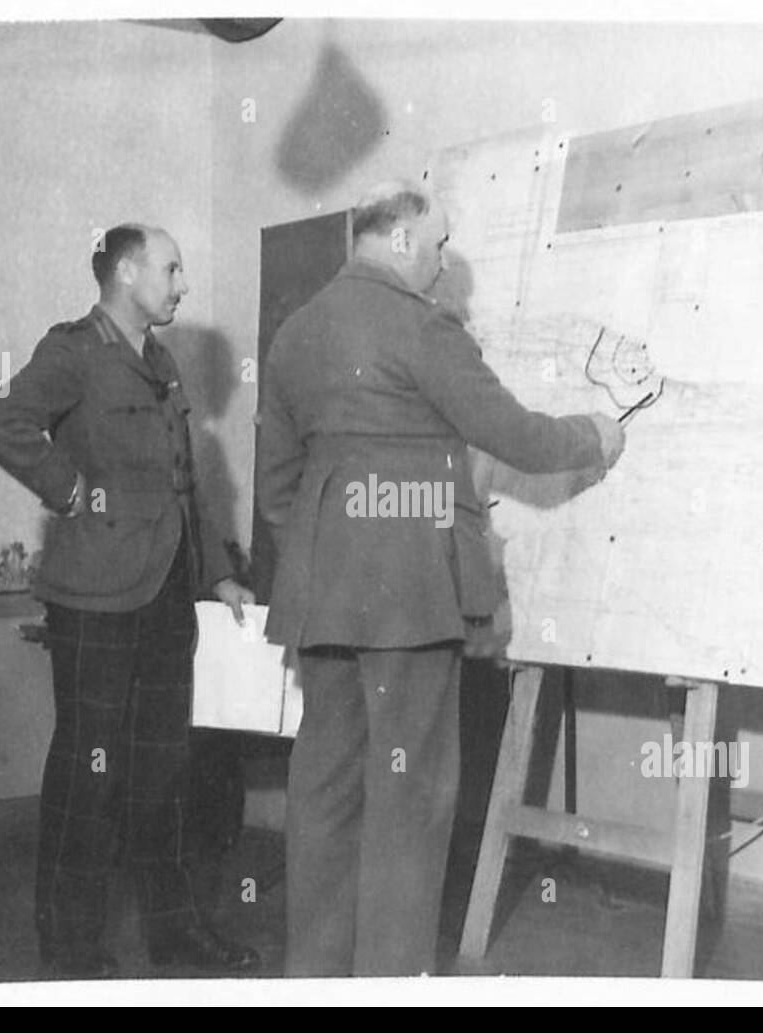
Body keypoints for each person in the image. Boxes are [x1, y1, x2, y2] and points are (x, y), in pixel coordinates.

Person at [257, 182, 627, 976]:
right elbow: (516, 435)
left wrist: (336, 550)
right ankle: (389, 982)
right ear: (395, 239)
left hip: (321, 596)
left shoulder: (294, 333)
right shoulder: (422, 329)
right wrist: (597, 433)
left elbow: (276, 486)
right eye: (437, 242)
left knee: (323, 786)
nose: (442, 259)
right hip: (409, 598)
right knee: (409, 794)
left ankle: (313, 980)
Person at [0, 223, 259, 977]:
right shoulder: (74, 350)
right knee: (88, 773)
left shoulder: (159, 362)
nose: (182, 283)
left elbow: (181, 485)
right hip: (95, 599)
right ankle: (67, 947)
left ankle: (172, 931)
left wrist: (212, 576)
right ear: (127, 272)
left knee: (166, 771)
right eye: (171, 268)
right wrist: (68, 488)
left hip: (165, 597)